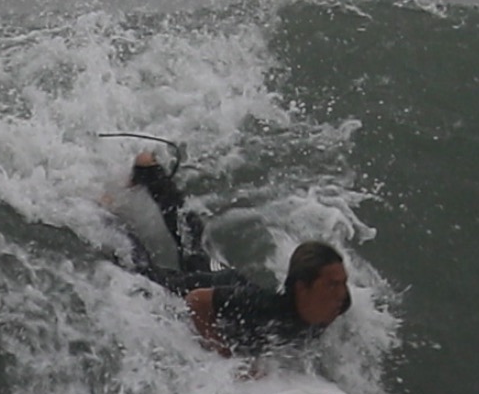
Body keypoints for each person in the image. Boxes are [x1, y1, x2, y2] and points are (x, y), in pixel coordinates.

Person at [121, 151, 354, 357]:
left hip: (228, 279)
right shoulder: (265, 308)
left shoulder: (339, 303)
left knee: (194, 248)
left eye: (343, 283)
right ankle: (106, 219)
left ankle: (150, 171)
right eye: (332, 285)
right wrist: (220, 350)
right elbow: (196, 300)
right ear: (303, 288)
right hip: (209, 288)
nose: (341, 293)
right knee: (142, 272)